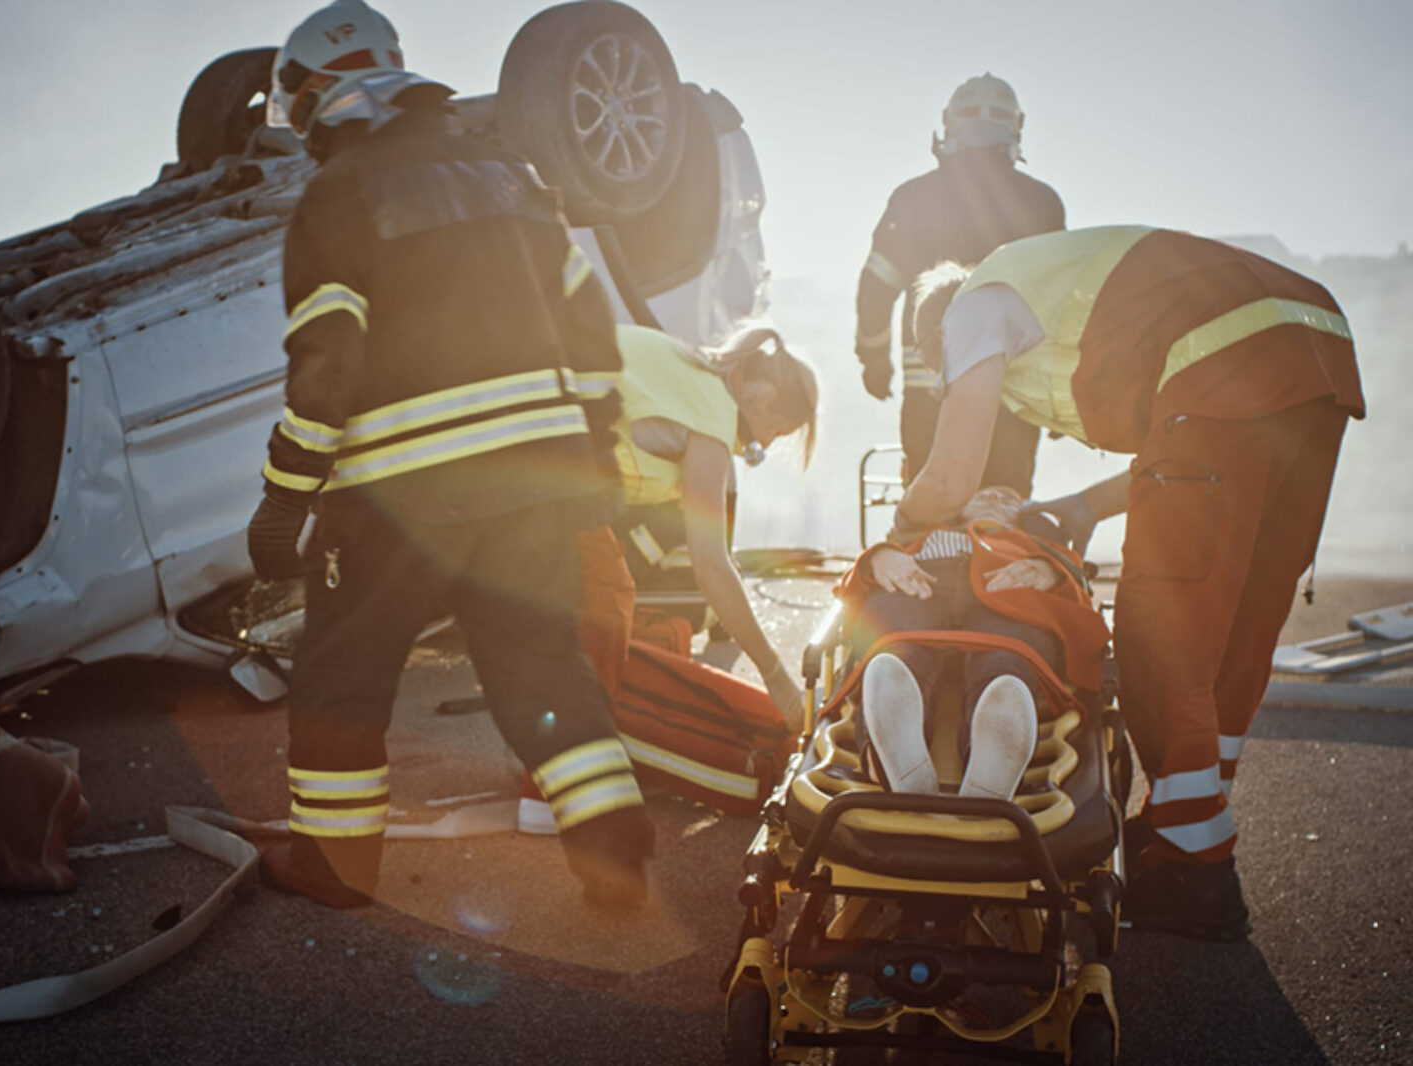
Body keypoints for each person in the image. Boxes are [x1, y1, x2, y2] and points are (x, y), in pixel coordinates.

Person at [245, 2, 651, 909]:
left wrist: (284, 496)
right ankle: (612, 850)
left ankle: (336, 865)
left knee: (343, 675)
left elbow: (328, 363)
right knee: (542, 666)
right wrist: (593, 458)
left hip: (396, 496)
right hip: (531, 486)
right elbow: (593, 335)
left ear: (316, 94)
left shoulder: (337, 193)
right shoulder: (512, 176)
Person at [902, 225, 1365, 940]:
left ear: (935, 338)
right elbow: (1193, 438)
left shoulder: (970, 305)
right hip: (1319, 356)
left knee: (1163, 628)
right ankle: (1190, 822)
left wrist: (904, 527)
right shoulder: (1063, 297)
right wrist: (1083, 507)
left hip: (1223, 362)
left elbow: (951, 476)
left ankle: (1197, 871)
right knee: (1239, 621)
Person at [520, 323, 820, 832]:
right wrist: (775, 675)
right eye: (776, 432)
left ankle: (564, 761)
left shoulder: (689, 367)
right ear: (763, 395)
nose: (762, 447)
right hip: (533, 469)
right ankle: (551, 794)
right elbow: (712, 567)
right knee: (605, 601)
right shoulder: (713, 420)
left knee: (595, 595)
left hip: (521, 442)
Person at [853, 73, 1064, 496]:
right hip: (1015, 389)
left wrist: (873, 359)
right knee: (1002, 507)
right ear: (1016, 125)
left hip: (931, 387)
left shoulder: (912, 199)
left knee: (931, 499)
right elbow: (1058, 301)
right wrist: (1058, 390)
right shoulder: (1043, 203)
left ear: (949, 123)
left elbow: (877, 286)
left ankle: (926, 559)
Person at [841, 487, 1108, 800]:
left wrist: (1050, 572)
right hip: (921, 579)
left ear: (1023, 515)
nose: (995, 499)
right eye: (983, 494)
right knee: (894, 645)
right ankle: (888, 754)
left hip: (1008, 590)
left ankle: (995, 752)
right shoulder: (925, 534)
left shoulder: (1038, 546)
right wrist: (879, 558)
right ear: (959, 507)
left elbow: (1075, 580)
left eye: (1009, 498)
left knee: (1007, 655)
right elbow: (853, 583)